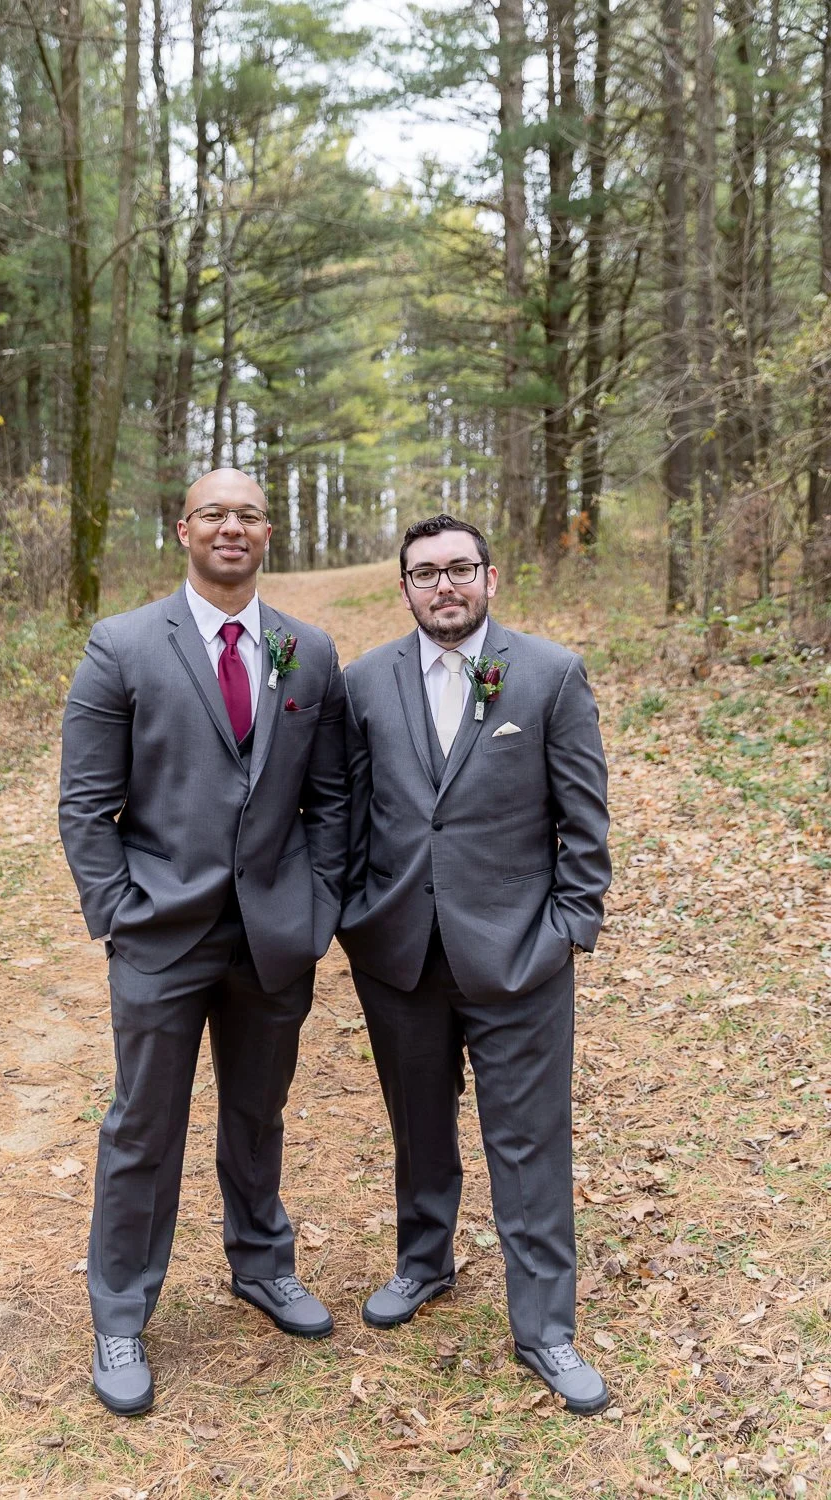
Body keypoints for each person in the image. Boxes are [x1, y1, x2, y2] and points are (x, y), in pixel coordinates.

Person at [59, 468, 348, 1415]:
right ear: (183, 527)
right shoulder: (123, 645)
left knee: (257, 1114)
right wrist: (118, 911)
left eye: (249, 514)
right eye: (214, 512)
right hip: (161, 932)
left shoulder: (310, 652)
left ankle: (262, 1266)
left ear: (269, 534)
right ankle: (121, 1311)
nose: (233, 527)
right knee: (142, 1126)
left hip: (273, 935)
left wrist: (317, 906)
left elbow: (333, 799)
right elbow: (85, 806)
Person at [338, 514, 612, 1416]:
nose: (443, 586)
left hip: (519, 957)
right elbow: (344, 812)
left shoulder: (549, 674)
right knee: (417, 1126)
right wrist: (352, 918)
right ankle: (425, 1264)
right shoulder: (363, 682)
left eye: (460, 569)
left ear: (491, 579)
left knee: (528, 1143)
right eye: (425, 574)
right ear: (406, 588)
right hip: (401, 955)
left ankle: (545, 1328)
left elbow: (584, 822)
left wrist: (568, 929)